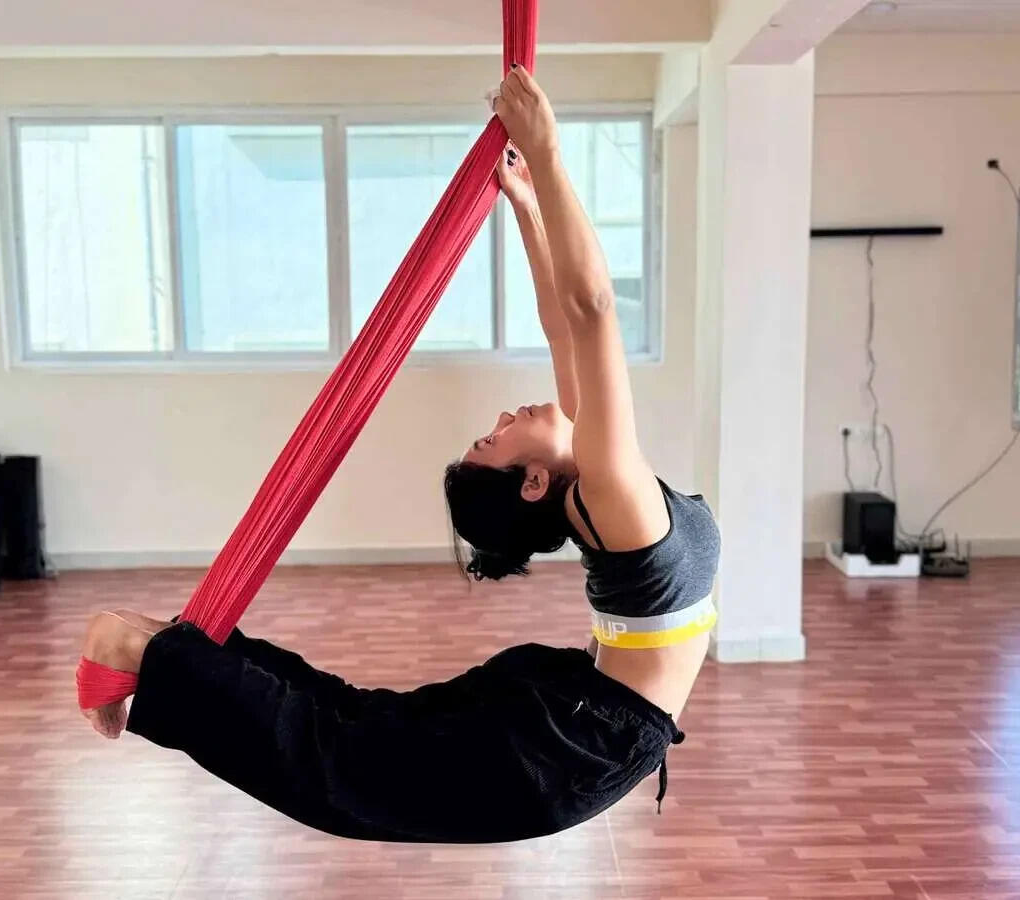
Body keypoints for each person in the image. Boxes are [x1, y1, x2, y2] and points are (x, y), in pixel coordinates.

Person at [77, 65, 720, 844]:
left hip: (575, 719)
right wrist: (547, 157)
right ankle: (148, 653)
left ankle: (160, 654)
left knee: (359, 733)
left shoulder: (598, 481)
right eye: (495, 438)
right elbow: (590, 311)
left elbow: (564, 324)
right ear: (532, 483)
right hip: (574, 745)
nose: (505, 414)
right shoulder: (611, 489)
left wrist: (525, 204)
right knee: (350, 760)